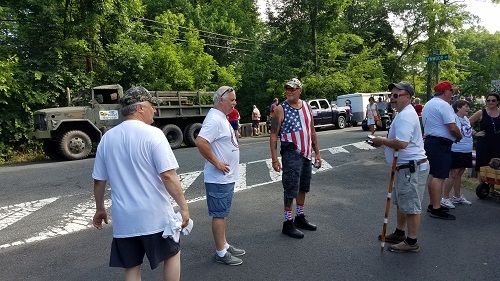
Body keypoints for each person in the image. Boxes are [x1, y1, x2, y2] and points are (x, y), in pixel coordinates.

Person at [92, 86, 190, 281]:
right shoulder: (153, 135)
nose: (154, 110)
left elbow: (99, 180)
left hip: (124, 219)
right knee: (171, 254)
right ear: (141, 108)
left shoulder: (107, 138)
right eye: (152, 106)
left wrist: (100, 208)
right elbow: (168, 175)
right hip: (155, 217)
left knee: (132, 267)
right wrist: (184, 207)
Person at [371, 82, 429, 253]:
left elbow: (402, 143)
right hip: (406, 167)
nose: (392, 99)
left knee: (411, 206)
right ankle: (399, 233)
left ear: (408, 97)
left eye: (396, 95)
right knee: (402, 202)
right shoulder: (404, 113)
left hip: (411, 167)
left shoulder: (405, 116)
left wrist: (381, 141)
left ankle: (411, 242)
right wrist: (385, 143)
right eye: (391, 95)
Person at [195, 86, 245, 266]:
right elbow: (200, 142)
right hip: (218, 177)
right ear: (221, 100)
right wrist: (216, 163)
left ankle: (224, 244)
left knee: (222, 214)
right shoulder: (214, 119)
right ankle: (220, 252)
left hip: (225, 177)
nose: (234, 103)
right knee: (219, 214)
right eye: (232, 100)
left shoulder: (220, 117)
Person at [269, 78, 322, 239]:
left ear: (300, 91)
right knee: (290, 187)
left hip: (306, 153)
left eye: (293, 89)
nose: (289, 91)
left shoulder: (307, 106)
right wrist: (274, 159)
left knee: (303, 186)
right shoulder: (280, 109)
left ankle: (300, 217)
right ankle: (287, 222)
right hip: (291, 153)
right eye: (287, 89)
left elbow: (312, 131)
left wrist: (317, 152)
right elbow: (273, 135)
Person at [422, 81, 463, 220]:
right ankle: (436, 208)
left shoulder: (429, 103)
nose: (452, 94)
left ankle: (433, 203)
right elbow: (451, 126)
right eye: (451, 91)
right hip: (440, 143)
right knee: (439, 176)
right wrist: (459, 136)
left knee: (433, 174)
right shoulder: (443, 105)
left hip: (431, 141)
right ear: (446, 92)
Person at [441, 100, 473, 209]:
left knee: (460, 173)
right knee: (453, 173)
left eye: (468, 106)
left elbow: (467, 131)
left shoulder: (466, 119)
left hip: (466, 149)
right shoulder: (454, 118)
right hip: (456, 149)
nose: (468, 108)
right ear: (458, 108)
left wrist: (476, 133)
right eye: (466, 106)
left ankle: (457, 196)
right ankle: (445, 198)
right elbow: (452, 130)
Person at [469, 93, 500, 187]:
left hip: (497, 143)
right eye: (488, 100)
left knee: (496, 165)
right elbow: (466, 123)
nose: (490, 102)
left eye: (493, 100)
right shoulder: (481, 112)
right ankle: (483, 187)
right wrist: (475, 133)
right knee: (481, 165)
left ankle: (493, 188)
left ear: (498, 101)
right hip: (484, 143)